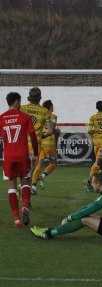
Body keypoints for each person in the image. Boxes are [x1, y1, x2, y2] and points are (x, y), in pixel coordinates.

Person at [30, 173, 102, 240]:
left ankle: (49, 233)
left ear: (98, 184)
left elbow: (88, 210)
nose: (91, 186)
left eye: (92, 183)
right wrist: (72, 216)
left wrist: (70, 217)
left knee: (84, 219)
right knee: (88, 216)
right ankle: (52, 230)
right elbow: (89, 207)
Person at [0, 92, 38, 227]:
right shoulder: (25, 117)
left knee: (12, 187)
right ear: (16, 101)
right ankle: (25, 207)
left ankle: (16, 219)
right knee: (26, 180)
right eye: (20, 101)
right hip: (22, 154)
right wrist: (36, 152)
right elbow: (33, 135)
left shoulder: (2, 118)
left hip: (8, 156)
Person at [20, 87, 50, 195]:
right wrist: (44, 135)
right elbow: (50, 130)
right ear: (40, 98)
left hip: (21, 142)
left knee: (23, 169)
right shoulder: (45, 111)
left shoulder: (21, 108)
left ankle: (21, 187)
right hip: (35, 143)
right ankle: (25, 192)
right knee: (30, 171)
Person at [32, 100, 59, 190]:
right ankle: (42, 176)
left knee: (39, 164)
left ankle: (33, 185)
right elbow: (52, 129)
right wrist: (56, 132)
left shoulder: (41, 115)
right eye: (52, 105)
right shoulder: (53, 116)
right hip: (50, 143)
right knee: (53, 163)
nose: (53, 107)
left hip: (41, 142)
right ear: (50, 106)